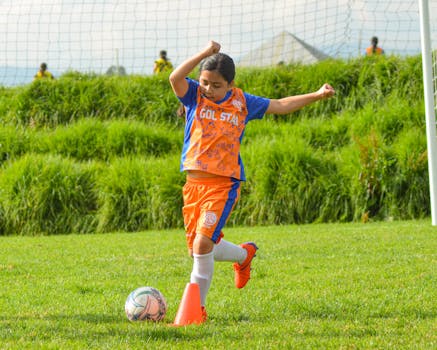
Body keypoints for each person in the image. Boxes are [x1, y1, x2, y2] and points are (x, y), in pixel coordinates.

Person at [169, 40, 335, 322]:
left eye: (216, 85)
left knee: (202, 246)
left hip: (223, 185)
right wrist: (205, 54)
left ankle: (197, 311)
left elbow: (281, 105)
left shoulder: (242, 102)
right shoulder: (194, 96)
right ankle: (244, 255)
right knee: (202, 247)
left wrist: (317, 95)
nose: (209, 89)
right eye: (205, 82)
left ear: (231, 85)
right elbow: (174, 77)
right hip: (193, 186)